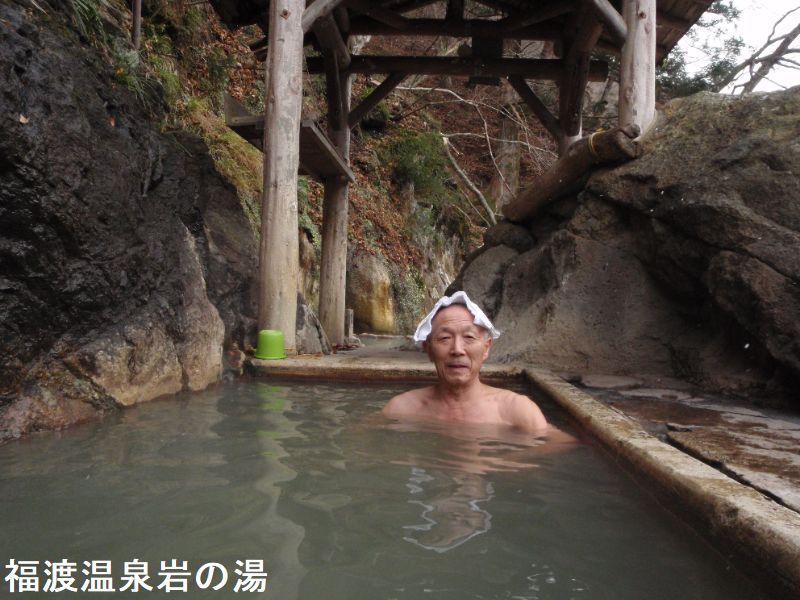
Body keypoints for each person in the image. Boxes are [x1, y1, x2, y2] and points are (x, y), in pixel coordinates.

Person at [382, 291, 550, 433]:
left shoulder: (517, 412)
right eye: (445, 338)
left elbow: (553, 447)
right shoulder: (401, 409)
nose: (457, 349)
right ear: (429, 350)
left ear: (486, 348)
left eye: (469, 337)